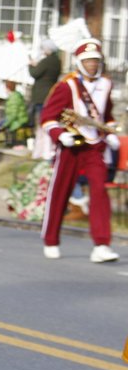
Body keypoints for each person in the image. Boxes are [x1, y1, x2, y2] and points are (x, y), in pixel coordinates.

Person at [39, 38, 120, 263]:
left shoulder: (106, 84)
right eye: (88, 61)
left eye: (95, 60)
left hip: (95, 148)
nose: (92, 64)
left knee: (99, 192)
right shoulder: (67, 85)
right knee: (60, 192)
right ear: (79, 62)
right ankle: (51, 238)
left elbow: (107, 115)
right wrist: (60, 135)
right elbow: (47, 118)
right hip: (71, 146)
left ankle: (102, 244)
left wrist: (111, 132)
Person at [0, 80, 29, 151]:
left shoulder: (14, 98)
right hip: (13, 119)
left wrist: (4, 125)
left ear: (8, 87)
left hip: (17, 120)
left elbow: (13, 115)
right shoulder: (13, 96)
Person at [28, 39, 61, 126]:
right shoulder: (57, 61)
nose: (43, 51)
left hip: (41, 95)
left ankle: (41, 138)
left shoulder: (46, 61)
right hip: (51, 92)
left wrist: (31, 65)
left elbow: (35, 73)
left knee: (41, 120)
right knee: (48, 118)